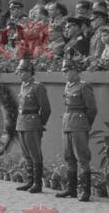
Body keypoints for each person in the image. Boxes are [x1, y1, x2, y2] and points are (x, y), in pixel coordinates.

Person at [56, 58, 97, 202]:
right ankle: (71, 188)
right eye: (63, 71)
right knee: (69, 157)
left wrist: (85, 123)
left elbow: (92, 109)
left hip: (79, 124)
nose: (64, 73)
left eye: (67, 71)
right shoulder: (67, 86)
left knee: (82, 157)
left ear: (75, 70)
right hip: (67, 123)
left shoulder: (83, 86)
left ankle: (85, 191)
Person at [14, 58, 51, 193]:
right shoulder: (23, 86)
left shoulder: (38, 87)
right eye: (18, 72)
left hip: (32, 123)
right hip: (22, 122)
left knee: (35, 154)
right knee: (26, 154)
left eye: (21, 71)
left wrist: (39, 123)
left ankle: (37, 183)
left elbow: (46, 109)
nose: (19, 74)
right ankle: (29, 181)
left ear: (29, 72)